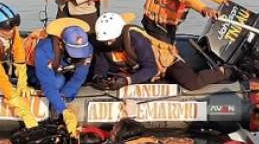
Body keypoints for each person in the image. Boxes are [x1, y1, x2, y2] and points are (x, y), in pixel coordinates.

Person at [91, 12, 232, 91]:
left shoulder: (135, 39)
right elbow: (101, 64)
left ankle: (223, 71)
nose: (108, 44)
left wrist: (127, 81)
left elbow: (151, 68)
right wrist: (99, 77)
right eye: (105, 41)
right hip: (136, 69)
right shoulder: (105, 45)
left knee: (192, 83)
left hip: (165, 64)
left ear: (119, 35)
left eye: (110, 40)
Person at [23, 18, 93, 136]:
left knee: (64, 85)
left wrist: (64, 96)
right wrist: (63, 109)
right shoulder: (43, 50)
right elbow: (48, 85)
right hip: (34, 69)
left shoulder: (88, 48)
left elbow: (80, 76)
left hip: (62, 68)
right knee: (58, 81)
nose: (79, 56)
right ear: (61, 44)